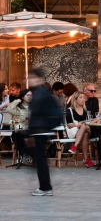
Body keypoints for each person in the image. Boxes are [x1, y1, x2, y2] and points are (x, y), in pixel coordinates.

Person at [26, 69, 60, 197]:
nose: (29, 80)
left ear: (39, 79)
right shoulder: (40, 93)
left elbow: (38, 115)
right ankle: (45, 186)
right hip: (39, 131)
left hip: (39, 131)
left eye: (31, 78)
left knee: (40, 160)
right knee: (40, 160)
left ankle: (45, 187)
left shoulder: (42, 94)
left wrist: (32, 131)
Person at [65, 91, 95, 167]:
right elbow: (69, 125)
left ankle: (75, 146)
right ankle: (86, 159)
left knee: (85, 126)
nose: (83, 100)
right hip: (76, 132)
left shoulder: (86, 110)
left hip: (89, 130)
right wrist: (78, 125)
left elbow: (89, 122)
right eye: (80, 98)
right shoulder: (70, 110)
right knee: (84, 131)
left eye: (84, 98)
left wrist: (84, 124)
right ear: (75, 99)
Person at [9, 89, 33, 163]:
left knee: (32, 136)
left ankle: (26, 155)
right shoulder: (18, 108)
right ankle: (22, 156)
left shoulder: (34, 107)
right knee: (18, 136)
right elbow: (8, 109)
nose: (30, 97)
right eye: (28, 95)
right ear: (22, 97)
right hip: (19, 130)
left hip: (30, 131)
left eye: (31, 95)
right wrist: (16, 101)